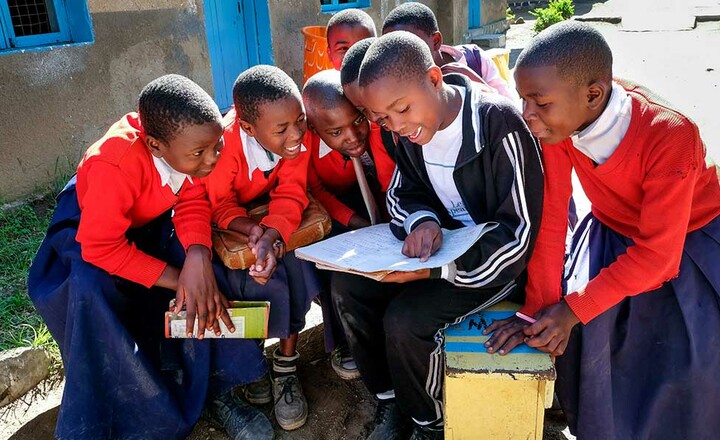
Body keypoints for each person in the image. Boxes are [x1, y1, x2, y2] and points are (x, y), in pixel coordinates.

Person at [484, 21, 720, 440]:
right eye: (522, 100)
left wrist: (572, 309)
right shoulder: (558, 127)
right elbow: (553, 219)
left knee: (689, 365)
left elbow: (658, 257)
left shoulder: (671, 134)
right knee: (588, 348)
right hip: (611, 230)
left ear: (593, 94)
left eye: (539, 102)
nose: (527, 115)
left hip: (688, 242)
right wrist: (537, 311)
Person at [27, 74, 272, 440]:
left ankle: (218, 390)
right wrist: (182, 280)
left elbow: (191, 196)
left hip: (150, 219)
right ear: (156, 146)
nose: (213, 159)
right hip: (92, 231)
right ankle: (133, 416)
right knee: (92, 295)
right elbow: (101, 246)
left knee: (209, 278)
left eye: (217, 145)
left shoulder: (192, 143)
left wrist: (198, 255)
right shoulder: (114, 165)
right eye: (200, 153)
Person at [332, 32, 543, 440]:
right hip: (437, 253)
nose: (396, 126)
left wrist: (439, 271)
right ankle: (391, 399)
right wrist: (422, 222)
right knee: (347, 286)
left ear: (433, 78)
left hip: (492, 265)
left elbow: (519, 235)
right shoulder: (407, 132)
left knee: (406, 320)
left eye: (401, 109)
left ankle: (429, 421)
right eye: (383, 120)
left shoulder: (498, 125)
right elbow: (400, 193)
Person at [204, 65, 320, 431]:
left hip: (273, 220)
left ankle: (285, 367)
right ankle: (252, 367)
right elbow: (219, 204)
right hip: (233, 227)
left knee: (297, 267)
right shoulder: (224, 144)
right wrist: (252, 230)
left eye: (299, 120)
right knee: (250, 280)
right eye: (282, 129)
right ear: (249, 129)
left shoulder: (295, 139)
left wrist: (272, 233)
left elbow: (291, 192)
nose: (296, 134)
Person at [301, 68, 397, 380]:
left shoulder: (377, 129)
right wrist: (353, 221)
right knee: (334, 263)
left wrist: (386, 221)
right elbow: (315, 190)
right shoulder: (304, 146)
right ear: (314, 129)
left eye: (356, 121)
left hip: (378, 197)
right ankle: (344, 339)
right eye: (336, 133)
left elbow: (387, 181)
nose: (352, 136)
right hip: (335, 207)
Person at [382, 2, 515, 99]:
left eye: (411, 47)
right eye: (392, 51)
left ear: (436, 41)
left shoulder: (475, 60)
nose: (400, 58)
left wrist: (474, 83)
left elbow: (511, 111)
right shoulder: (398, 84)